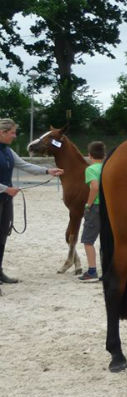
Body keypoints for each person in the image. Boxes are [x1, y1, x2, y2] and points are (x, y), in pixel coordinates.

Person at [0, 118, 65, 283]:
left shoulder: (8, 151)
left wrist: (47, 171)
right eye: (12, 133)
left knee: (2, 235)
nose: (15, 136)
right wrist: (5, 188)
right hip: (5, 193)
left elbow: (25, 165)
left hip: (6, 198)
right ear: (3, 132)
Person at [77, 141, 105, 282]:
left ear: (90, 155)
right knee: (106, 240)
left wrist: (88, 204)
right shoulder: (108, 167)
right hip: (108, 207)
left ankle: (92, 271)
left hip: (96, 207)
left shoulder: (91, 169)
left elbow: (94, 187)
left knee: (88, 241)